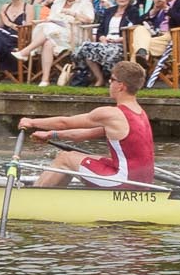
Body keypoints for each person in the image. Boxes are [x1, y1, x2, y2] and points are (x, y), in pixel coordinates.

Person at [23, 60, 155, 189]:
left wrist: (31, 122)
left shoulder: (112, 114)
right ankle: (54, 194)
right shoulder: (140, 113)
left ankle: (34, 196)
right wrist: (50, 135)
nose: (109, 83)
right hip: (143, 181)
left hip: (123, 181)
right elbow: (82, 134)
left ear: (120, 86)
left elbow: (65, 122)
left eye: (112, 79)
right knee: (78, 157)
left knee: (65, 158)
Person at [70, 0, 141, 87]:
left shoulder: (133, 11)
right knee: (86, 48)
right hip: (106, 41)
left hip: (122, 43)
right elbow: (101, 29)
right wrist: (102, 38)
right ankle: (99, 78)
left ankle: (111, 78)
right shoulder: (109, 11)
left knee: (103, 51)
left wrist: (119, 40)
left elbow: (135, 30)